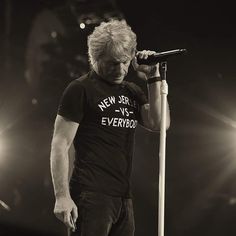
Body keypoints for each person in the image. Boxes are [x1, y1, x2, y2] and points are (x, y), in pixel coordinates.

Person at [50, 19, 170, 236]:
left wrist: (153, 78)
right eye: (113, 63)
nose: (121, 69)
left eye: (125, 62)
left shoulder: (132, 91)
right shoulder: (80, 89)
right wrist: (62, 196)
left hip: (123, 198)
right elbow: (60, 144)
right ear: (95, 58)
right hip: (90, 195)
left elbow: (159, 124)